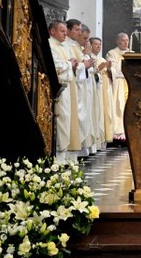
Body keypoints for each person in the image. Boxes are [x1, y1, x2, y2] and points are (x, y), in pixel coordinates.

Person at [65, 19, 94, 158]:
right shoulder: (68, 46)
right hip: (73, 87)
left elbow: (81, 66)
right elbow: (76, 67)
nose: (79, 32)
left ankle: (81, 147)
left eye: (79, 30)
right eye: (77, 30)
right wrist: (86, 59)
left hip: (81, 87)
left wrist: (86, 60)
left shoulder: (74, 46)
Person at [48, 21, 76, 164]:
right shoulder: (50, 45)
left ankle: (62, 155)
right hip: (57, 88)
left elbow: (66, 63)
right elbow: (56, 65)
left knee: (66, 119)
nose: (65, 34)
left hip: (66, 87)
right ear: (52, 32)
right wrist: (69, 64)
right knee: (61, 119)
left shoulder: (63, 46)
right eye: (62, 31)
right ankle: (58, 156)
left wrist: (71, 64)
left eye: (66, 31)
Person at [105, 32, 132, 145]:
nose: (126, 43)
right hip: (119, 85)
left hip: (130, 84)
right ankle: (119, 135)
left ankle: (130, 133)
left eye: (127, 40)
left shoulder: (132, 53)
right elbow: (113, 69)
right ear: (117, 41)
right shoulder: (112, 53)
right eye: (123, 40)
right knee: (119, 108)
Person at [89, 37, 114, 147]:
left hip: (105, 91)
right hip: (97, 90)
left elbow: (110, 76)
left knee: (105, 113)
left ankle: (104, 139)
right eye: (96, 44)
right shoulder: (90, 58)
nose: (98, 46)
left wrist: (109, 69)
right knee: (98, 114)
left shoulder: (102, 59)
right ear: (90, 45)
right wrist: (98, 69)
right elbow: (91, 73)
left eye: (100, 44)